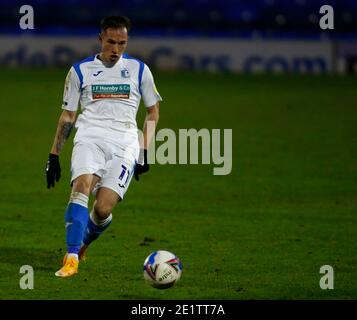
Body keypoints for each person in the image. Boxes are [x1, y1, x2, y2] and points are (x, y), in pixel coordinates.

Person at [45, 15, 162, 278]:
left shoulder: (140, 70)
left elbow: (153, 112)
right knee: (81, 186)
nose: (116, 49)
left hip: (125, 143)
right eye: (111, 42)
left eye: (122, 43)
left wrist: (144, 150)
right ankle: (71, 257)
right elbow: (68, 116)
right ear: (101, 39)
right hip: (89, 137)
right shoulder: (79, 71)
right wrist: (54, 155)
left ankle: (83, 245)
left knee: (102, 209)